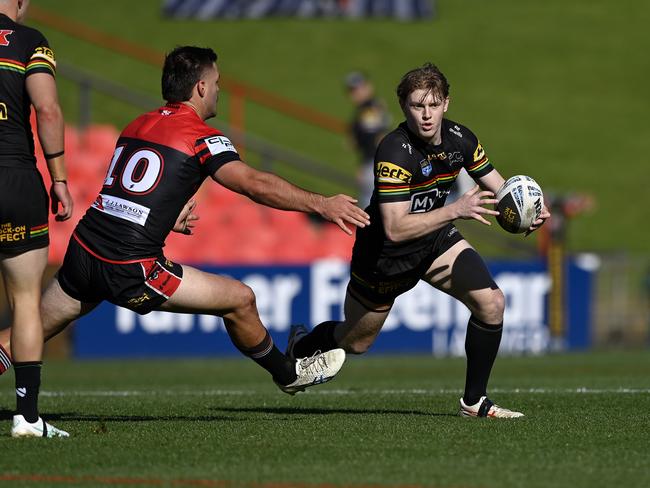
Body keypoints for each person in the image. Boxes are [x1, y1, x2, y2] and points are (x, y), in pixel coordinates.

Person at [0, 46, 371, 433]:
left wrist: (165, 216)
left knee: (24, 334)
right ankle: (288, 373)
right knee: (240, 300)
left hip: (84, 251)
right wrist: (321, 203)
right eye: (216, 84)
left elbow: (125, 193)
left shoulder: (136, 124)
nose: (218, 92)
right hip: (129, 266)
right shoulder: (201, 137)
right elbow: (255, 184)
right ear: (199, 87)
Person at [286, 63, 551, 418]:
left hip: (435, 240)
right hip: (385, 256)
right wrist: (456, 208)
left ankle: (474, 403)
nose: (426, 115)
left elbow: (501, 190)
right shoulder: (394, 151)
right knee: (356, 342)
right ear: (403, 107)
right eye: (417, 106)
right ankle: (300, 346)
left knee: (492, 304)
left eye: (433, 104)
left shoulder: (462, 139)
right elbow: (396, 228)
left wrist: (529, 211)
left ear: (446, 103)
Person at [0, 0, 73, 437]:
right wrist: (60, 178)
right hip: (16, 179)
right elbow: (47, 110)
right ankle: (27, 418)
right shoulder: (29, 42)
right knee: (25, 300)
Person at [345, 71, 391, 208]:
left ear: (368, 87)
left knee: (369, 207)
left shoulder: (368, 110)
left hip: (374, 164)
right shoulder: (372, 106)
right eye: (352, 90)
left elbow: (374, 140)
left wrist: (364, 165)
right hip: (378, 163)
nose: (355, 93)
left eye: (359, 88)